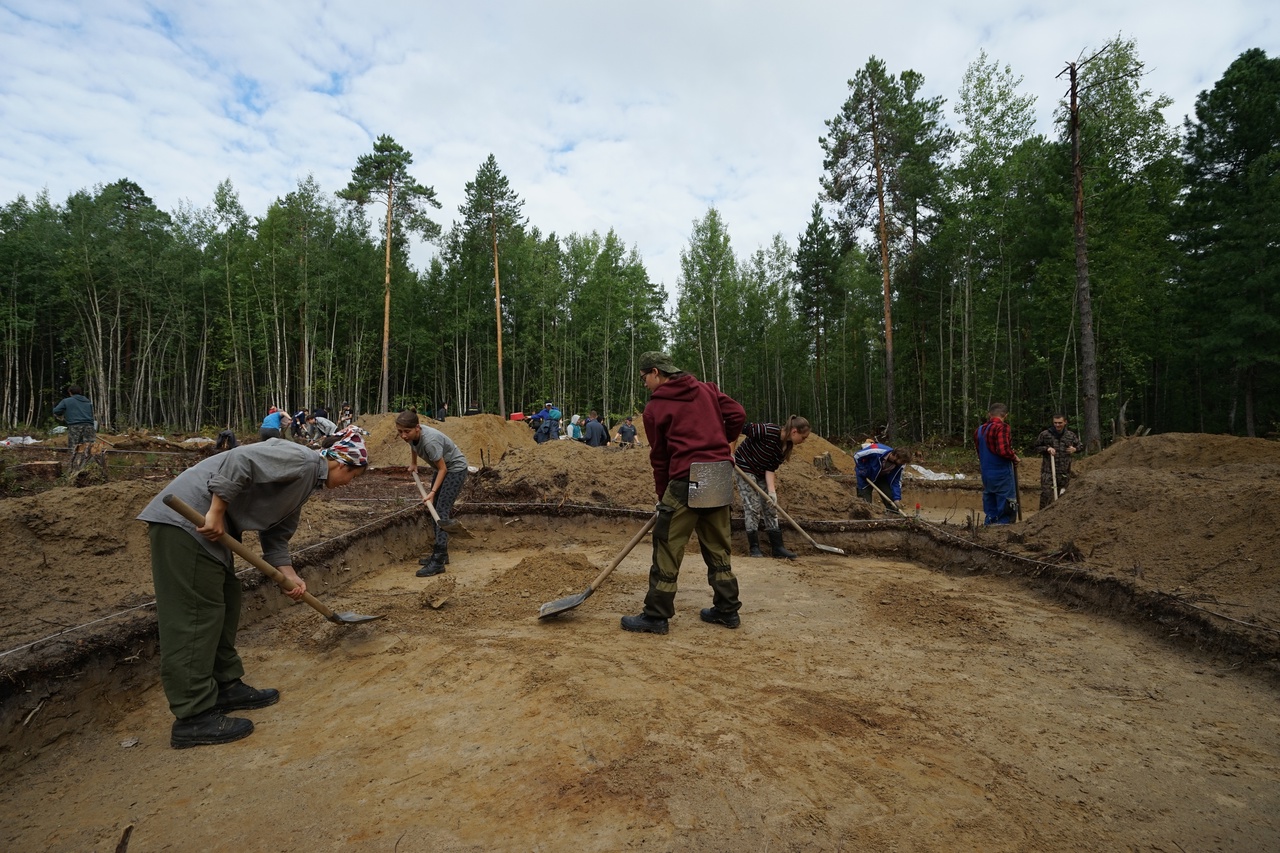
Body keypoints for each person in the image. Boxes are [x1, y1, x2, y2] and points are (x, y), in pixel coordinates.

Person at [136, 429, 370, 748]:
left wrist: (289, 574)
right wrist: (216, 512)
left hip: (210, 532)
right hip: (187, 521)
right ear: (343, 465)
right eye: (352, 477)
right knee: (194, 616)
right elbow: (240, 458)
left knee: (226, 603)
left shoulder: (304, 483)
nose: (348, 484)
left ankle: (224, 686)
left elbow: (276, 533)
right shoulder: (302, 459)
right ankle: (192, 717)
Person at [622, 351, 746, 635]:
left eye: (644, 378)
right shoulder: (708, 389)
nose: (644, 385)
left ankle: (656, 616)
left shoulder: (655, 408)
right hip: (717, 474)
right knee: (717, 544)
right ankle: (727, 610)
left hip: (685, 477)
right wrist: (723, 441)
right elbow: (737, 413)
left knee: (667, 543)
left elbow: (660, 456)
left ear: (656, 372)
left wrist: (661, 493)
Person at [395, 410, 469, 577]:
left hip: (455, 469)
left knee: (440, 511)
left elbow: (443, 468)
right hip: (443, 469)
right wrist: (413, 463)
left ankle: (439, 560)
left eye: (407, 432)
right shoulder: (413, 436)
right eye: (400, 432)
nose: (403, 436)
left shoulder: (430, 442)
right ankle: (442, 554)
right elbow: (412, 444)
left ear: (417, 428)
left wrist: (433, 492)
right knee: (434, 509)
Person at [734, 416, 811, 559]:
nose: (804, 441)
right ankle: (754, 547)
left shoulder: (784, 447)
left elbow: (770, 469)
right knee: (752, 506)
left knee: (770, 506)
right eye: (803, 437)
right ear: (794, 431)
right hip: (743, 466)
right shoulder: (767, 430)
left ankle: (777, 547)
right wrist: (730, 452)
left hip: (762, 472)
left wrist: (771, 492)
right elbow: (737, 428)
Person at [975, 402, 1021, 525]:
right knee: (1006, 503)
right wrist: (1014, 456)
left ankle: (989, 527)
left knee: (990, 501)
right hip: (1001, 472)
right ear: (1005, 415)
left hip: (986, 472)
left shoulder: (979, 430)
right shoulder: (1002, 427)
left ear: (989, 414)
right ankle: (1003, 529)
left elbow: (980, 452)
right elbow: (1003, 450)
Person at [1033, 414, 1081, 508]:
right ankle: (1042, 517)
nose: (1057, 425)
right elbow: (1036, 447)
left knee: (1063, 497)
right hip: (1048, 471)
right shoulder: (1045, 434)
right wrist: (1047, 448)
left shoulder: (1070, 435)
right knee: (1046, 495)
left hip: (1064, 472)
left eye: (1060, 423)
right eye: (1055, 423)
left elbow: (1081, 446)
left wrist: (1075, 449)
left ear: (1065, 422)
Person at [854, 443, 913, 511]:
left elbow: (896, 481)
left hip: (882, 477)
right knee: (865, 504)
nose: (904, 463)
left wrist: (897, 499)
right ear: (896, 456)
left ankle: (892, 516)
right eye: (903, 461)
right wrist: (862, 470)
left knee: (892, 502)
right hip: (866, 475)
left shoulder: (900, 465)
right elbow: (857, 455)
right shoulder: (877, 451)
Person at [53, 384, 97, 450]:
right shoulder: (88, 402)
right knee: (89, 448)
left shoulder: (66, 401)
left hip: (75, 426)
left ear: (70, 392)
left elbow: (56, 411)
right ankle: (90, 460)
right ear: (80, 392)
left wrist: (63, 414)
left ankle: (75, 460)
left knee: (74, 448)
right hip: (89, 426)